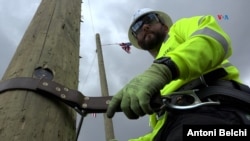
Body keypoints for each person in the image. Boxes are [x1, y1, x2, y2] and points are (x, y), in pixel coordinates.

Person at [106, 8, 250, 141]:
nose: (145, 26)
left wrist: (164, 69)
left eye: (150, 19)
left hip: (213, 108)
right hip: (176, 127)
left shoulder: (178, 30)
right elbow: (161, 132)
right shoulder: (150, 81)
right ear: (137, 39)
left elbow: (212, 38)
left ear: (164, 24)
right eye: (136, 28)